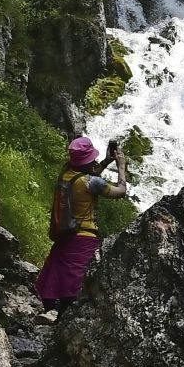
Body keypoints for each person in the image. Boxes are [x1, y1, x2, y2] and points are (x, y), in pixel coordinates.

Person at [35, 132, 126, 310]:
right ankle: (65, 315)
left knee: (57, 276)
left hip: (64, 234)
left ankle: (51, 310)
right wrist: (121, 167)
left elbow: (87, 175)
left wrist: (106, 162)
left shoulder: (66, 175)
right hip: (84, 237)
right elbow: (120, 191)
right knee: (76, 282)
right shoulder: (91, 182)